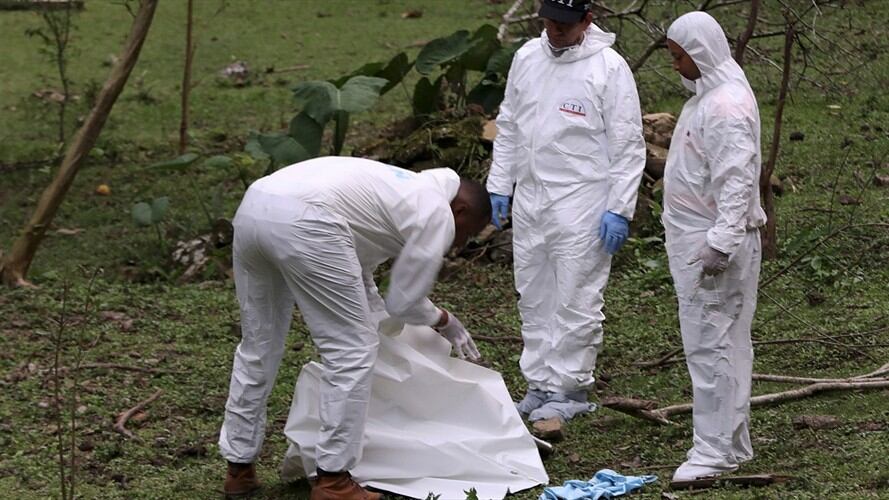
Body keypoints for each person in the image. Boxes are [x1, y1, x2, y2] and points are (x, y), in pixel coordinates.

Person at [219, 157, 490, 499]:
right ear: (461, 210)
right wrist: (444, 320)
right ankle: (333, 481)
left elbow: (359, 274)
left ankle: (238, 469)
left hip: (256, 206)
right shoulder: (438, 213)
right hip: (308, 218)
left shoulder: (399, 189)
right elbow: (404, 302)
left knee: (258, 345)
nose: (459, 244)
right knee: (351, 350)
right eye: (467, 235)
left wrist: (385, 327)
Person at [487, 0, 646, 422]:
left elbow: (628, 145)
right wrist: (500, 184)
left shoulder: (608, 69)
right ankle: (540, 383)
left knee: (576, 295)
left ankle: (571, 387)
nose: (554, 30)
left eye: (563, 24)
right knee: (534, 293)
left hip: (582, 199)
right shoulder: (527, 58)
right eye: (548, 22)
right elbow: (510, 125)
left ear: (587, 21)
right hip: (532, 195)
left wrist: (619, 207)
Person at [662, 12, 766, 482]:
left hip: (712, 248)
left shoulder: (724, 107)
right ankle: (731, 441)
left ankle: (713, 453)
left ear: (700, 52)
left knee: (712, 346)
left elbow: (736, 179)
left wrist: (720, 243)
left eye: (679, 55)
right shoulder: (709, 96)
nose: (676, 64)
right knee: (721, 342)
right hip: (699, 240)